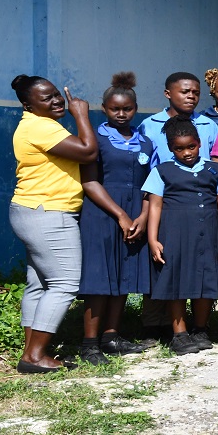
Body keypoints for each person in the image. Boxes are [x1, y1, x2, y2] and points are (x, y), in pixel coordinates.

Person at [9, 75, 98, 374]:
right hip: (49, 213)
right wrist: (82, 115)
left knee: (40, 284)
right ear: (28, 105)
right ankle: (34, 356)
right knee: (63, 285)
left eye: (56, 94)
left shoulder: (37, 123)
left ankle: (31, 350)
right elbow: (88, 151)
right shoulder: (40, 126)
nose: (57, 100)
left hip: (31, 211)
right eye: (46, 98)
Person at [77, 72, 151, 366]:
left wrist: (143, 216)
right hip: (103, 213)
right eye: (114, 109)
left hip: (136, 214)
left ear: (135, 108)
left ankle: (112, 336)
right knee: (100, 277)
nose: (121, 114)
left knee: (123, 274)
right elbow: (90, 182)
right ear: (104, 108)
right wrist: (121, 215)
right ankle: (89, 344)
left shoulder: (144, 141)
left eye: (127, 109)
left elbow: (151, 184)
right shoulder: (94, 139)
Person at [143, 117, 218, 356]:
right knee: (177, 280)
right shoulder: (162, 171)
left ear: (199, 143)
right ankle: (179, 333)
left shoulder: (215, 169)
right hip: (175, 233)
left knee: (207, 279)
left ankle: (201, 329)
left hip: (209, 232)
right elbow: (155, 206)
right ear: (171, 149)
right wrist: (153, 239)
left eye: (191, 147)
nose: (186, 153)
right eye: (179, 149)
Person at [138, 72, 218, 167]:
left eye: (196, 93)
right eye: (185, 92)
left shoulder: (208, 125)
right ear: (168, 94)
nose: (191, 96)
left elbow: (216, 162)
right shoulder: (149, 125)